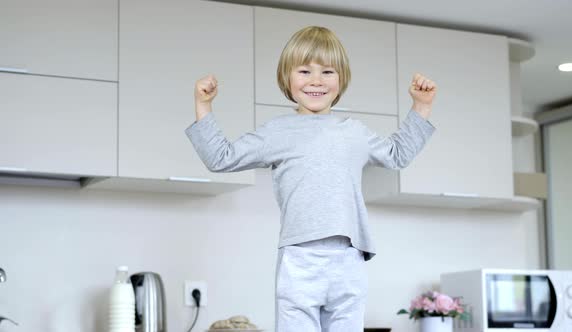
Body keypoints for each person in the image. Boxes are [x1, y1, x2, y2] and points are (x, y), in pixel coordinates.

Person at [185, 26, 437, 332]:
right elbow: (220, 158)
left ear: (341, 79)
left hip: (348, 258)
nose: (316, 80)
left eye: (327, 71)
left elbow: (398, 154)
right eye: (304, 71)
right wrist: (204, 106)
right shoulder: (276, 132)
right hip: (298, 260)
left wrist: (421, 107)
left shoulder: (354, 132)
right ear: (286, 78)